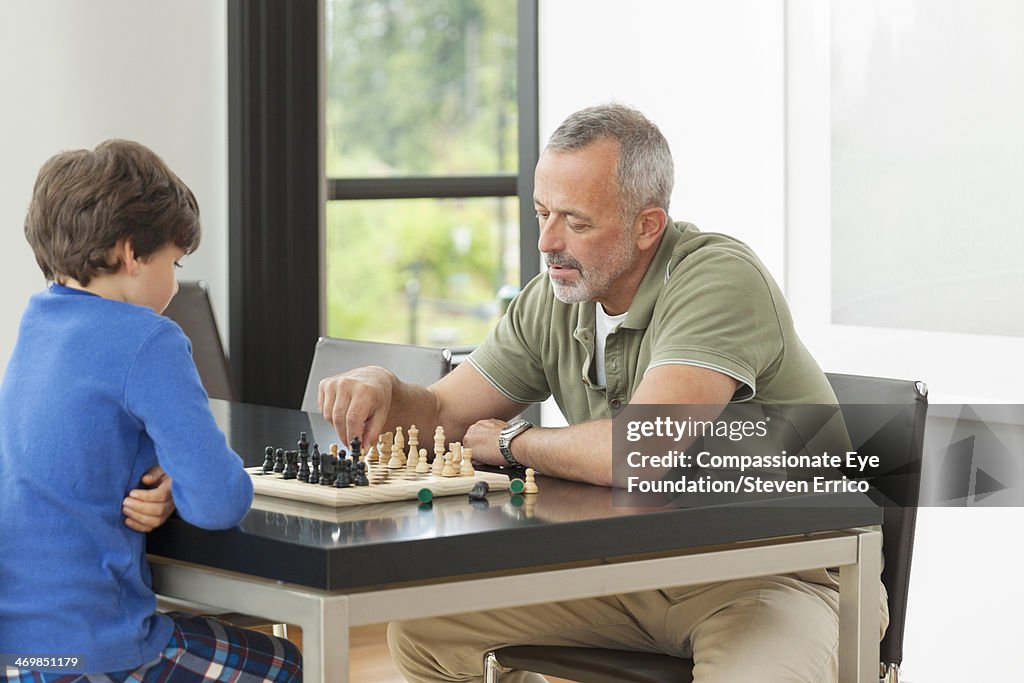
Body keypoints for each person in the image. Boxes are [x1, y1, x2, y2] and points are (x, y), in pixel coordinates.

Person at [317, 104, 885, 682]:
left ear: (648, 225)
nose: (547, 241)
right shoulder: (556, 295)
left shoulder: (720, 278)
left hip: (777, 575)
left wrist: (516, 442)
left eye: (576, 222)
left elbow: (640, 452)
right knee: (425, 632)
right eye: (542, 213)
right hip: (634, 576)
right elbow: (442, 413)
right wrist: (386, 390)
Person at [0, 140, 302, 682]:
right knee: (287, 665)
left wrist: (166, 476)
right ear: (131, 253)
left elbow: (79, 453)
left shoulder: (37, 323)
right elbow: (219, 501)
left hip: (20, 655)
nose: (176, 278)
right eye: (175, 261)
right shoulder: (149, 339)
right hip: (97, 649)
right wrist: (188, 480)